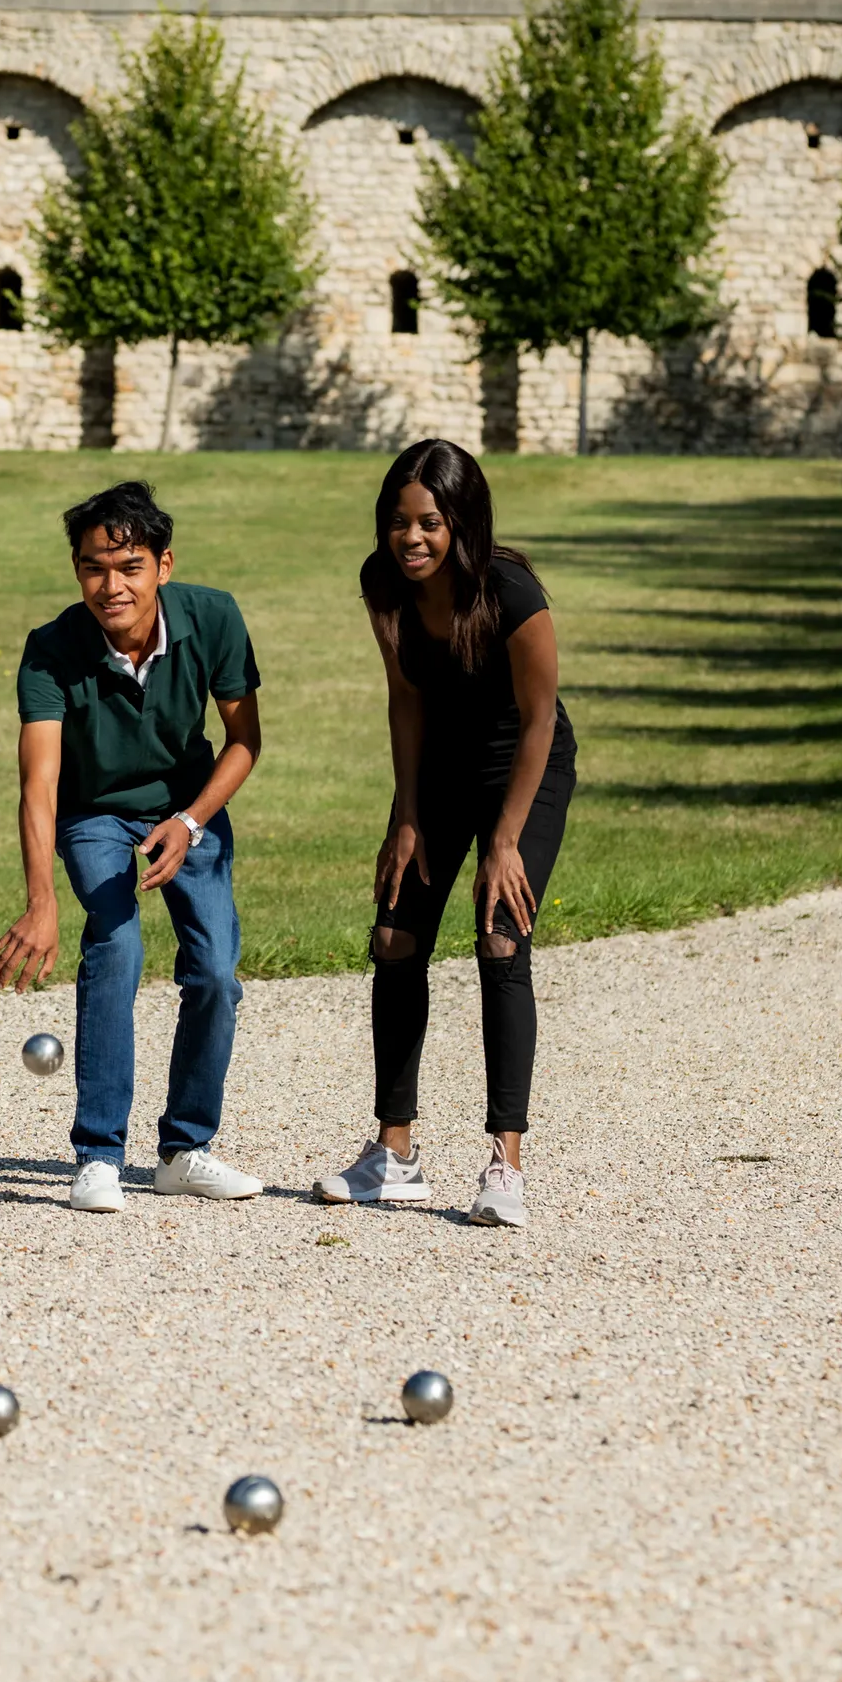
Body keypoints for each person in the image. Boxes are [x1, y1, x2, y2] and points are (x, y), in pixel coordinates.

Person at [315, 438, 577, 1229]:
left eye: (429, 522)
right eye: (398, 522)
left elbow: (537, 722)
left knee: (500, 933)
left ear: (460, 520)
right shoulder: (382, 584)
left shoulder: (511, 591)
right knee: (395, 936)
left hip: (519, 766)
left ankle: (506, 1163)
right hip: (438, 770)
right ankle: (394, 1154)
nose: (413, 538)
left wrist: (503, 841)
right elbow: (406, 699)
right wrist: (405, 816)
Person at [0, 480, 264, 1215]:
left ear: (163, 565)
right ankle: (100, 1156)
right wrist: (40, 900)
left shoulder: (213, 618)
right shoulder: (51, 650)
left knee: (213, 972)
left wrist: (193, 820)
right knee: (115, 945)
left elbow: (244, 742)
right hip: (94, 815)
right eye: (92, 568)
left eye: (129, 565)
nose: (110, 585)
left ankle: (183, 1151)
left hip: (190, 807)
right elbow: (39, 786)